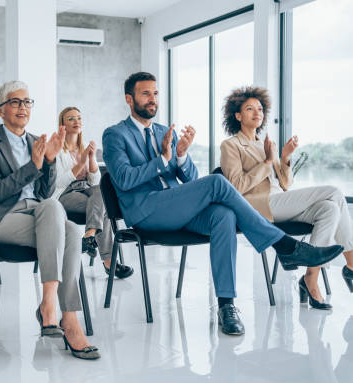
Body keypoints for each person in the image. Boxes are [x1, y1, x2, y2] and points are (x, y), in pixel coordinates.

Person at [102, 72, 343, 336]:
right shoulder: (115, 135)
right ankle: (283, 245)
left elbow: (191, 179)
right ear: (129, 99)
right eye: (145, 93)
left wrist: (181, 156)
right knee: (216, 183)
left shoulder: (163, 132)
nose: (153, 99)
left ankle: (226, 305)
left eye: (156, 93)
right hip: (145, 212)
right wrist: (162, 159)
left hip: (175, 208)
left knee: (224, 214)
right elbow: (124, 180)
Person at [0, 81, 100, 360]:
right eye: (15, 102)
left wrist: (51, 161)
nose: (23, 107)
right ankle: (53, 309)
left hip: (39, 213)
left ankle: (64, 315)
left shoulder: (36, 141)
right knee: (58, 216)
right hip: (4, 218)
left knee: (68, 227)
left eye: (27, 102)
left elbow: (44, 192)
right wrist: (34, 166)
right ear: (0, 110)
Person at [220, 86, 353, 309]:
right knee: (334, 192)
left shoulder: (266, 144)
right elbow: (235, 187)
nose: (257, 113)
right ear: (238, 116)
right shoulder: (231, 146)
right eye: (250, 109)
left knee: (330, 209)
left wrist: (283, 157)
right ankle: (351, 265)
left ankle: (310, 279)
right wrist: (266, 163)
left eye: (260, 109)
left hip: (280, 200)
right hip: (258, 206)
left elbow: (285, 184)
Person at [53, 106, 133, 279]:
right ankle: (110, 263)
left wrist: (89, 159)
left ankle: (90, 234)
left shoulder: (85, 147)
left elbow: (95, 181)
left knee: (100, 195)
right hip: (65, 194)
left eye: (79, 118)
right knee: (103, 209)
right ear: (63, 125)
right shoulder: (57, 149)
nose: (77, 121)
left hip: (88, 190)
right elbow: (58, 181)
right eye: (71, 118)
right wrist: (80, 163)